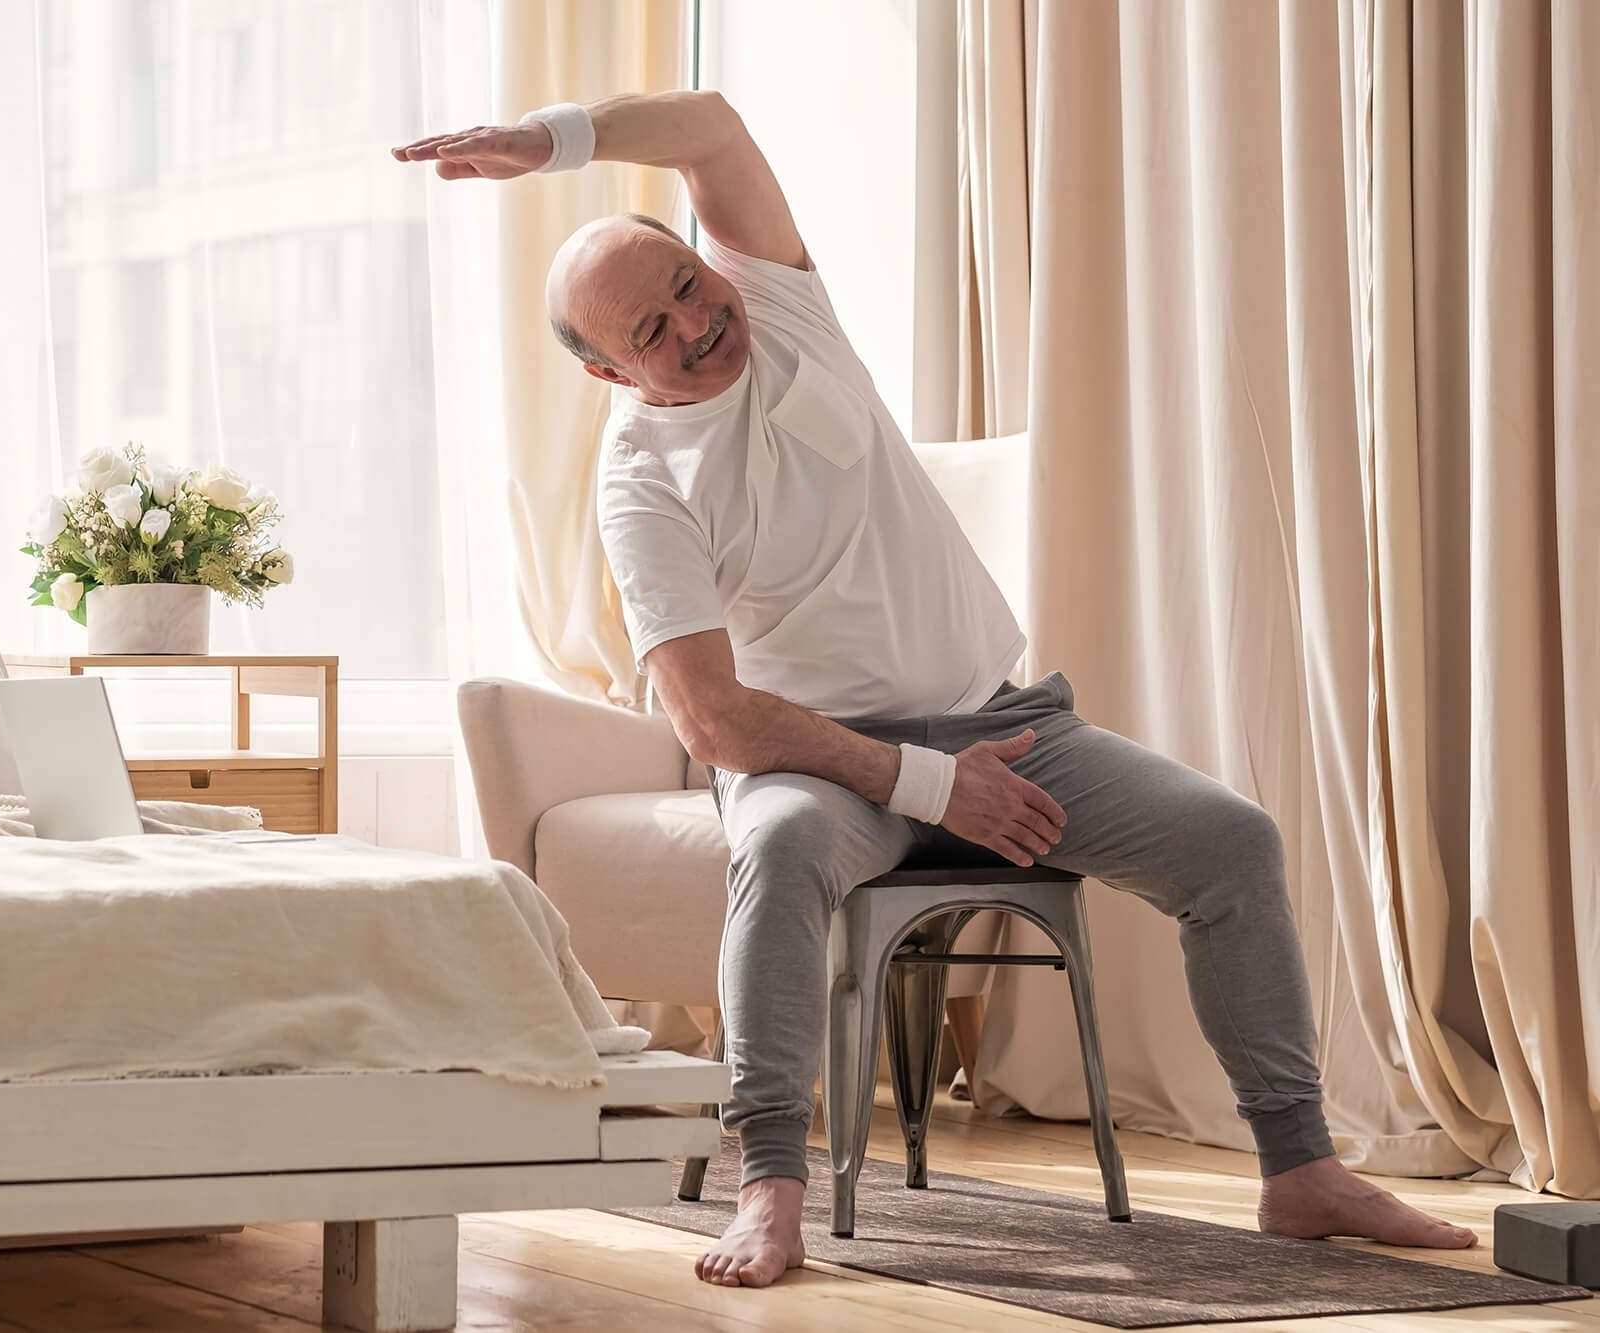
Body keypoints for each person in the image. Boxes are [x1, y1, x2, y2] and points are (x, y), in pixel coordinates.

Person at [394, 90, 1478, 1289]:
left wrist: (545, 143)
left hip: (1003, 727)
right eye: (653, 331)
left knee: (1229, 840)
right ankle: (768, 1184)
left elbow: (706, 124)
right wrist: (925, 785)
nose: (698, 325)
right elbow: (710, 721)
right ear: (609, 372)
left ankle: (1298, 1168)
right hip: (812, 762)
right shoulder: (640, 483)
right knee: (784, 852)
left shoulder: (781, 306)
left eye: (690, 286)